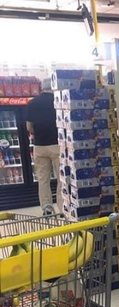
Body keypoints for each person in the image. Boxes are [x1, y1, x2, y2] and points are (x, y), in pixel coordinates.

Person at [26, 78, 62, 215]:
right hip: (57, 145)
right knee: (61, 178)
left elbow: (29, 127)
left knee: (43, 179)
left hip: (39, 146)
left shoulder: (32, 103)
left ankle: (46, 207)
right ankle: (62, 207)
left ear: (41, 87)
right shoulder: (58, 101)